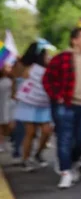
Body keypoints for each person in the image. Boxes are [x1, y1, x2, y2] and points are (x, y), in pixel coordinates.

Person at [43, 27, 81, 189]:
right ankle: (65, 172)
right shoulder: (61, 58)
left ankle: (72, 162)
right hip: (66, 105)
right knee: (64, 139)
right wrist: (56, 96)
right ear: (74, 40)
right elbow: (47, 79)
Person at [11, 42, 54, 171]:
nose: (49, 56)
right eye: (46, 54)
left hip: (44, 103)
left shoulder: (49, 68)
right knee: (30, 132)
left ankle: (38, 153)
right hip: (28, 103)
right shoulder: (27, 67)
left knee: (47, 130)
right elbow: (16, 78)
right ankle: (26, 159)